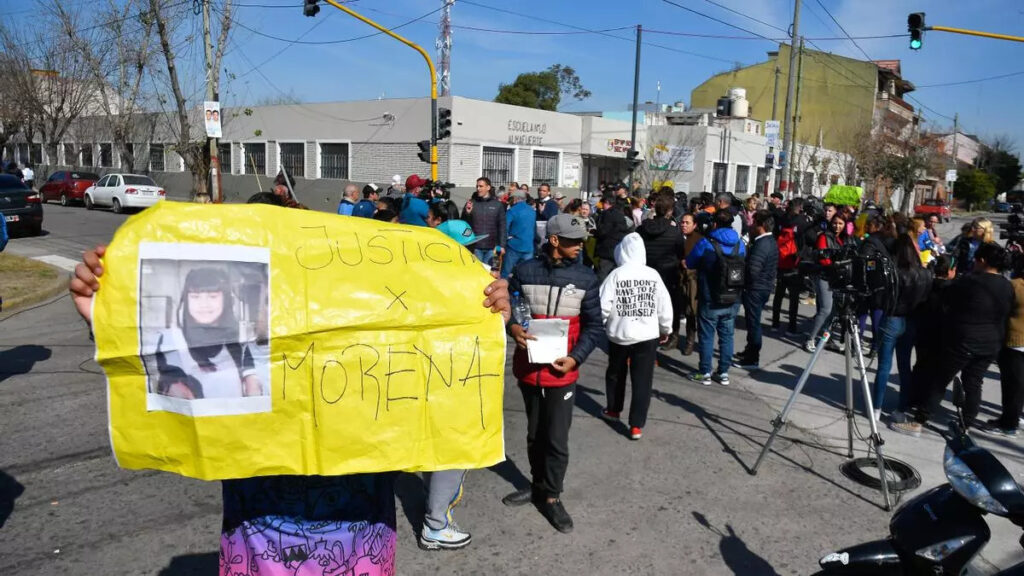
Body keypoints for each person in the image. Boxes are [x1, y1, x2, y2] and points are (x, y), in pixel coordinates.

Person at [70, 243, 512, 575]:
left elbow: (445, 386)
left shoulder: (382, 352)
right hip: (260, 550)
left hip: (358, 549)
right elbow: (156, 378)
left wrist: (480, 316)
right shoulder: (235, 358)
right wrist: (102, 317)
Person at [504, 213, 602, 534]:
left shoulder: (587, 277)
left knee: (556, 440)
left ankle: (551, 497)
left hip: (563, 374)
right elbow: (509, 306)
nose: (580, 246)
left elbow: (594, 327)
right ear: (555, 240)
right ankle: (536, 486)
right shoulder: (524, 270)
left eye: (582, 240)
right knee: (534, 436)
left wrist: (576, 358)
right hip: (528, 370)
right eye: (574, 241)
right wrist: (513, 327)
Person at [418, 218, 491, 551]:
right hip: (451, 378)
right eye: (466, 248)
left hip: (441, 375)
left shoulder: (471, 277)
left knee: (442, 448)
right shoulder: (457, 282)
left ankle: (436, 517)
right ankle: (436, 524)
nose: (473, 253)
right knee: (454, 449)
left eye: (473, 247)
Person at [893, 243, 1014, 437]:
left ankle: (919, 421)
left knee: (940, 380)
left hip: (964, 340)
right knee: (974, 383)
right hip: (991, 342)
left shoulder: (971, 281)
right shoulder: (1007, 285)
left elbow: (948, 301)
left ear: (982, 261)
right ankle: (965, 425)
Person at [599, 232, 673, 440]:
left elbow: (603, 306)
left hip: (619, 335)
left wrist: (602, 324)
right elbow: (664, 306)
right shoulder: (653, 275)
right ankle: (636, 425)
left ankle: (614, 409)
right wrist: (665, 329)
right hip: (647, 335)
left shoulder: (616, 275)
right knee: (643, 380)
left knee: (615, 373)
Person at [871, 235, 932, 422]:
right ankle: (901, 408)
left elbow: (880, 299)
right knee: (904, 366)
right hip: (911, 320)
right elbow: (925, 300)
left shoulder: (893, 273)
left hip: (892, 318)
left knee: (884, 366)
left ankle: (877, 408)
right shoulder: (924, 273)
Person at [686, 210, 747, 386]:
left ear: (714, 224)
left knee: (706, 335)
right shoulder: (740, 244)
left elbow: (690, 262)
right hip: (733, 296)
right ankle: (723, 372)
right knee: (727, 335)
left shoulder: (706, 242)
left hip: (709, 296)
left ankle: (705, 371)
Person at [980, 264, 1024, 437]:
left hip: (1014, 341)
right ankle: (1012, 418)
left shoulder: (1015, 286)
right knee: (1018, 386)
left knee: (1012, 386)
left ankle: (1009, 424)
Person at [637, 191, 684, 351]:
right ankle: (671, 335)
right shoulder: (674, 231)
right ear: (670, 211)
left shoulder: (641, 230)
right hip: (668, 273)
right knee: (671, 306)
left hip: (647, 271)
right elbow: (680, 251)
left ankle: (647, 334)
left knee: (648, 306)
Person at [735, 210, 777, 370]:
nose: (751, 225)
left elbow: (753, 270)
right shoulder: (769, 241)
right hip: (762, 287)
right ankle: (749, 351)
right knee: (752, 322)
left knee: (753, 323)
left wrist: (744, 281)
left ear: (761, 226)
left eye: (754, 223)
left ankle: (752, 358)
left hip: (756, 289)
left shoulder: (762, 244)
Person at [804, 213, 847, 353]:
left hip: (837, 277)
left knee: (834, 311)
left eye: (840, 223)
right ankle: (810, 339)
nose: (837, 226)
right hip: (824, 275)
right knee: (825, 309)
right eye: (835, 223)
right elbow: (823, 258)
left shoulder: (843, 239)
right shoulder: (824, 236)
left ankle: (825, 338)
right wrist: (835, 265)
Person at [771, 198, 810, 336]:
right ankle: (791, 327)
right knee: (793, 297)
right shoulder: (802, 222)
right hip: (794, 262)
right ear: (800, 207)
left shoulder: (781, 219)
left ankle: (775, 323)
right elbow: (808, 240)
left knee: (779, 294)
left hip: (781, 261)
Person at [461, 177, 507, 268]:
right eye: (477, 186)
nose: (478, 189)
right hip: (475, 248)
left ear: (488, 187)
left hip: (494, 248)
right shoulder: (471, 203)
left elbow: (502, 226)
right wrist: (467, 213)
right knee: (476, 273)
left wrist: (502, 245)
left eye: (481, 186)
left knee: (493, 273)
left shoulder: (498, 205)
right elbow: (464, 225)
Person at [593, 193, 633, 283]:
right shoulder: (620, 213)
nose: (602, 206)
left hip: (606, 250)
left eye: (603, 203)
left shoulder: (607, 214)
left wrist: (595, 232)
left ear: (607, 202)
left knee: (602, 277)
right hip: (618, 249)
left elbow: (603, 231)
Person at [679, 212, 702, 356]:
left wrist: (689, 266)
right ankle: (673, 338)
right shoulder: (677, 238)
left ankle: (690, 342)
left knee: (691, 312)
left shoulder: (699, 240)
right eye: (682, 222)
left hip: (692, 281)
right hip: (677, 279)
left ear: (694, 225)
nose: (684, 225)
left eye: (687, 223)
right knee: (676, 310)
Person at [503, 187, 537, 278]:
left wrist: (506, 239)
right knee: (526, 274)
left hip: (514, 245)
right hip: (529, 246)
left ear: (515, 199)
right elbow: (534, 228)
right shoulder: (532, 211)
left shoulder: (511, 211)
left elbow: (504, 228)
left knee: (506, 273)